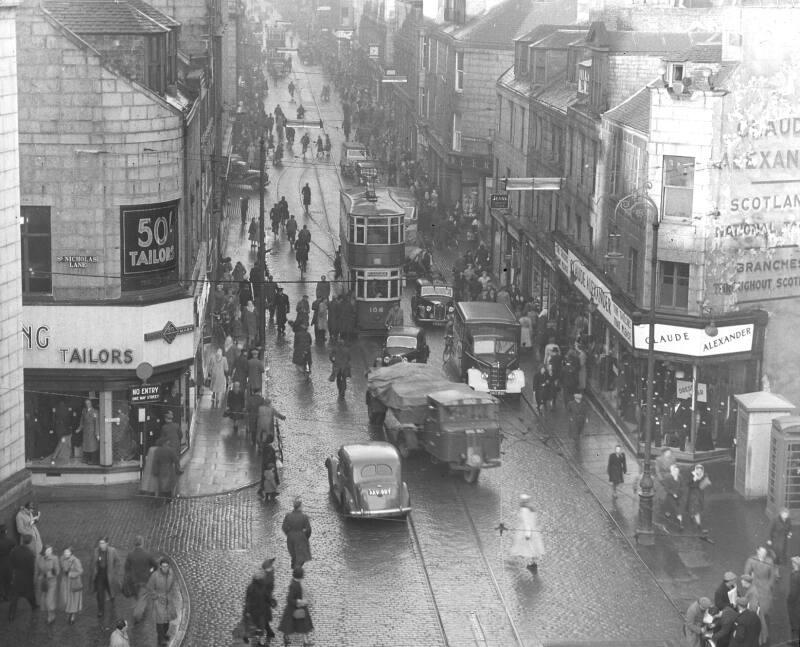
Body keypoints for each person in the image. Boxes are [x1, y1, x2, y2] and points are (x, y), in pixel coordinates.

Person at [510, 494, 545, 574]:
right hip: (533, 530)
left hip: (526, 531)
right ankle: (533, 564)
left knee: (525, 547)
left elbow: (527, 522)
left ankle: (516, 561)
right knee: (533, 547)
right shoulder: (532, 509)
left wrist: (527, 534)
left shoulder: (524, 510)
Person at [124, 535, 156, 622]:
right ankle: (137, 616)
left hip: (133, 582)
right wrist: (150, 572)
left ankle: (139, 608)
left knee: (137, 597)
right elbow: (155, 566)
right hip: (144, 581)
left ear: (134, 544)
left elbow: (126, 568)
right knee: (142, 599)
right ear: (142, 543)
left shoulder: (130, 555)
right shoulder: (147, 555)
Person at [278, 567, 313, 646]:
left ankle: (305, 642)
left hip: (300, 607)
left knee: (304, 626)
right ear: (300, 576)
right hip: (293, 609)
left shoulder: (298, 582)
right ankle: (287, 637)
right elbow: (289, 599)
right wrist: (299, 601)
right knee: (290, 626)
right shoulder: (293, 585)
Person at [147, 558, 177, 647]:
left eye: (166, 566)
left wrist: (170, 595)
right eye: (163, 566)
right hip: (158, 601)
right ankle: (161, 639)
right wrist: (156, 596)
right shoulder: (155, 576)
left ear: (169, 566)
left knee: (166, 621)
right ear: (160, 566)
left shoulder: (171, 574)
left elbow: (172, 585)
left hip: (168, 600)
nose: (165, 568)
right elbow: (149, 588)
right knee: (160, 622)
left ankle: (164, 635)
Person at [743, 544, 775, 626]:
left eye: (765, 552)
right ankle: (753, 618)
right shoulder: (751, 560)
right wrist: (748, 582)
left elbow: (772, 575)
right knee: (753, 602)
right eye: (762, 552)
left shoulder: (770, 561)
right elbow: (746, 573)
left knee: (764, 605)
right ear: (757, 551)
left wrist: (769, 585)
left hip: (765, 586)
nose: (763, 554)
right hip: (755, 584)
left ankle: (763, 618)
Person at [90, 536, 121, 620]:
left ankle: (112, 599)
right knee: (100, 594)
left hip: (109, 575)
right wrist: (94, 572)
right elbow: (93, 563)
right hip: (100, 575)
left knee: (110, 590)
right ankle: (101, 610)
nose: (101, 545)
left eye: (103, 543)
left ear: (107, 543)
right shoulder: (96, 551)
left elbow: (118, 562)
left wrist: (114, 572)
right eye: (100, 543)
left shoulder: (112, 551)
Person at [8, 535, 37, 621]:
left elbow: (11, 561)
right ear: (30, 542)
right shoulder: (30, 554)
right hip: (27, 577)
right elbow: (32, 568)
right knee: (30, 593)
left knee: (14, 597)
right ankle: (34, 606)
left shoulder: (15, 550)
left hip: (17, 576)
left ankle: (11, 615)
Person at [244, 569, 277, 640]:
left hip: (260, 610)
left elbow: (267, 596)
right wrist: (272, 601)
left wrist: (272, 601)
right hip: (258, 611)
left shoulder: (253, 587)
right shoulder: (256, 588)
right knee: (259, 625)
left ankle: (268, 632)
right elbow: (249, 600)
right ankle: (257, 639)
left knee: (262, 623)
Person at [282, 498, 312, 570]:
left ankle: (294, 565)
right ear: (299, 507)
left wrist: (288, 534)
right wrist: (306, 537)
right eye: (302, 506)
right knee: (301, 555)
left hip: (291, 537)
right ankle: (297, 570)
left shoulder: (288, 516)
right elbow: (308, 529)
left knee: (293, 552)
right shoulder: (304, 517)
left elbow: (284, 527)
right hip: (300, 537)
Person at [682, 463, 710, 533]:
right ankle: (699, 525)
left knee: (696, 510)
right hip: (692, 495)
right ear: (695, 470)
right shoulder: (692, 475)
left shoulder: (704, 475)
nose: (699, 472)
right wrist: (694, 479)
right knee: (695, 510)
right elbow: (688, 484)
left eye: (701, 470)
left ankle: (694, 520)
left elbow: (703, 484)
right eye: (698, 470)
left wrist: (706, 482)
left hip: (699, 495)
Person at [35, 544, 59, 624]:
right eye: (48, 550)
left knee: (49, 600)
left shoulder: (55, 558)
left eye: (51, 550)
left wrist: (49, 574)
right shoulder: (39, 558)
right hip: (43, 582)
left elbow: (57, 571)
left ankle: (50, 616)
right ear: (44, 551)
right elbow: (37, 570)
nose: (50, 552)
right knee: (45, 601)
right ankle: (52, 614)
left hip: (52, 582)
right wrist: (37, 579)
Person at [60, 546, 83, 624]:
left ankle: (72, 615)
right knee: (66, 598)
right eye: (65, 552)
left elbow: (80, 571)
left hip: (73, 583)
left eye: (67, 552)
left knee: (73, 599)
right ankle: (69, 611)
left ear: (71, 553)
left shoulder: (76, 561)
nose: (66, 553)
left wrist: (70, 574)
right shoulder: (62, 559)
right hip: (65, 582)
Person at [654, 447, 677, 518]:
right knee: (660, 496)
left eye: (670, 452)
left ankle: (667, 510)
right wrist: (662, 480)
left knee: (669, 495)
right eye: (667, 452)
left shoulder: (673, 459)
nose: (669, 454)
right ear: (664, 453)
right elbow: (657, 471)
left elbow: (675, 469)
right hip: (661, 480)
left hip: (670, 479)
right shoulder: (658, 459)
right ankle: (658, 509)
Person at [768, 508, 792, 575]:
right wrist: (769, 539)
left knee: (781, 555)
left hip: (784, 541)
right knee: (776, 556)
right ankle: (775, 571)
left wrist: (789, 533)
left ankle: (776, 568)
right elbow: (770, 530)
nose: (785, 516)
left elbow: (789, 528)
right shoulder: (775, 520)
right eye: (784, 514)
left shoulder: (788, 520)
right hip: (776, 540)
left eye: (787, 514)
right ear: (781, 514)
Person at [77, 398, 100, 464]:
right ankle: (86, 459)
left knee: (93, 446)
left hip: (92, 431)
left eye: (89, 403)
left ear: (91, 403)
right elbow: (82, 421)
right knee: (86, 446)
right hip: (85, 432)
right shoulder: (84, 411)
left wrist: (97, 434)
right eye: (86, 403)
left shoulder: (95, 411)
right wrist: (79, 428)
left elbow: (97, 423)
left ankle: (93, 460)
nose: (87, 405)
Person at [0, 524, 14, 601]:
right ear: (5, 531)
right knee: (8, 579)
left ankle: (2, 594)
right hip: (8, 562)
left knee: (1, 580)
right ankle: (7, 595)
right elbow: (14, 546)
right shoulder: (9, 540)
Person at [788, 556, 800, 644]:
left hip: (795, 604)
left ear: (795, 564)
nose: (792, 564)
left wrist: (788, 600)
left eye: (793, 563)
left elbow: (793, 592)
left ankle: (794, 642)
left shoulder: (795, 576)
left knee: (794, 623)